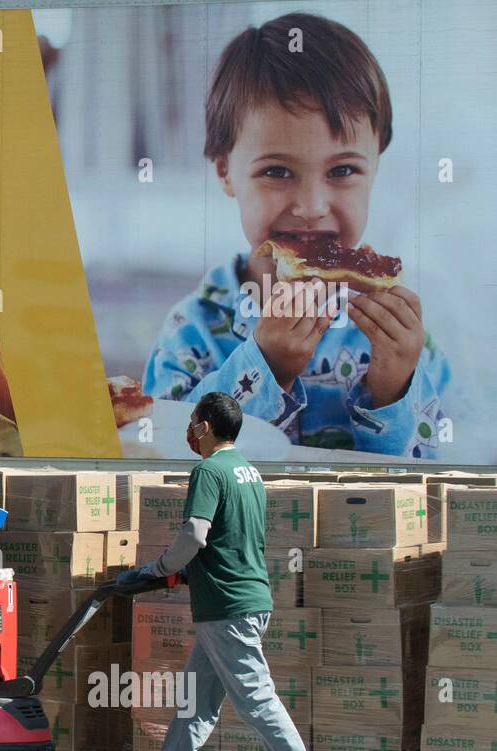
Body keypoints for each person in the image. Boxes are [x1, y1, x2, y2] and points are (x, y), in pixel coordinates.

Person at [142, 13, 449, 459]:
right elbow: (171, 459)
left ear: (375, 169)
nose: (311, 206)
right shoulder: (190, 331)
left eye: (342, 170)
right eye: (276, 171)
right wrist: (263, 368)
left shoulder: (403, 337)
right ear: (226, 172)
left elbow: (432, 489)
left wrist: (395, 391)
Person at [119, 392, 340, 751]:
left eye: (191, 421)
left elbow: (195, 535)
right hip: (241, 598)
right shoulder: (249, 473)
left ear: (203, 427)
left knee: (256, 700)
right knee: (195, 700)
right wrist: (182, 576)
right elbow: (229, 541)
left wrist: (156, 569)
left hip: (227, 606)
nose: (187, 430)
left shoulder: (208, 471)